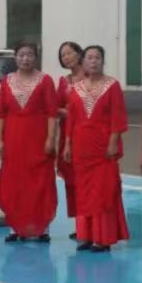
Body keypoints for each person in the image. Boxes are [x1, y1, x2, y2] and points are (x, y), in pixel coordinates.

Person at [64, 45, 130, 252]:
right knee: (83, 192)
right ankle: (85, 235)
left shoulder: (112, 85)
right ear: (83, 62)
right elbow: (71, 118)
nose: (93, 61)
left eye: (97, 58)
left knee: (104, 191)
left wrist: (113, 142)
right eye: (89, 58)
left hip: (103, 148)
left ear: (103, 61)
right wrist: (67, 144)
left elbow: (118, 116)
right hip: (80, 147)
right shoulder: (76, 88)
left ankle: (103, 238)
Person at [0, 42, 58, 242]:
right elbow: (0, 113)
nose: (25, 59)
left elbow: (52, 113)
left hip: (38, 138)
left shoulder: (45, 80)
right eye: (21, 54)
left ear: (35, 57)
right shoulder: (6, 81)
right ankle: (15, 227)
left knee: (40, 181)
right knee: (15, 182)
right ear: (15, 57)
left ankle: (43, 228)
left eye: (29, 54)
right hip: (13, 139)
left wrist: (50, 138)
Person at [56, 41, 85, 237]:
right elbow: (54, 106)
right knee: (72, 181)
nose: (66, 57)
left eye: (69, 53)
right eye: (63, 55)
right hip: (67, 133)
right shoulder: (64, 82)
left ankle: (92, 225)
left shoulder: (92, 77)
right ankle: (80, 225)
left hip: (87, 133)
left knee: (87, 179)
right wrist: (67, 113)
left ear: (79, 53)